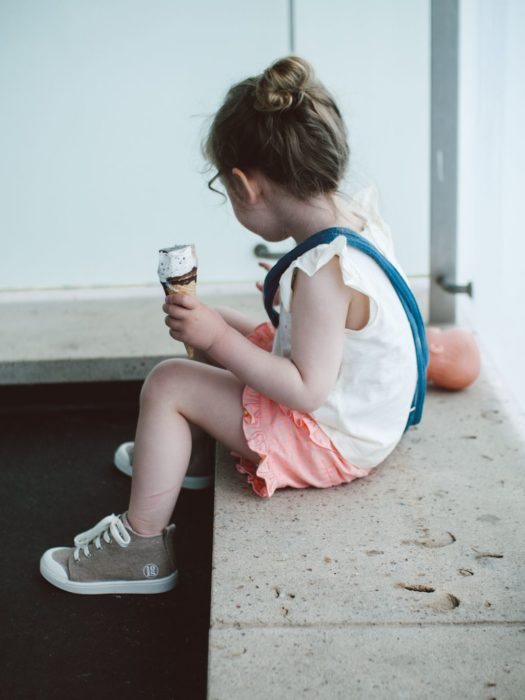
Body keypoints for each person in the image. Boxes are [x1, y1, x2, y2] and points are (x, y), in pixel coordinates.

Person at [40, 55, 419, 595]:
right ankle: (178, 453)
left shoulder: (321, 272)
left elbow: (307, 390)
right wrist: (219, 326)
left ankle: (142, 547)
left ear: (245, 186)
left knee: (169, 382)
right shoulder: (354, 225)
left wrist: (215, 336)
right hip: (363, 414)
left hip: (336, 436)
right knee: (228, 334)